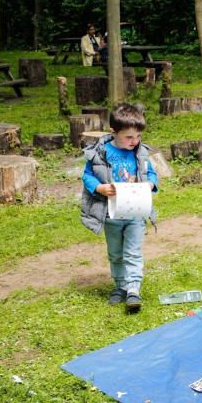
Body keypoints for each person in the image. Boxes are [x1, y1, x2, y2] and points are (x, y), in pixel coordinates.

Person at [81, 104, 158, 311]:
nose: (135, 142)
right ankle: (120, 286)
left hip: (136, 214)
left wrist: (150, 184)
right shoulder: (100, 152)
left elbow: (151, 174)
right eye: (129, 137)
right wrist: (99, 187)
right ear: (114, 131)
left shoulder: (140, 153)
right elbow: (86, 175)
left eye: (138, 136)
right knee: (115, 253)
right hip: (111, 214)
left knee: (132, 252)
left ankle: (133, 289)